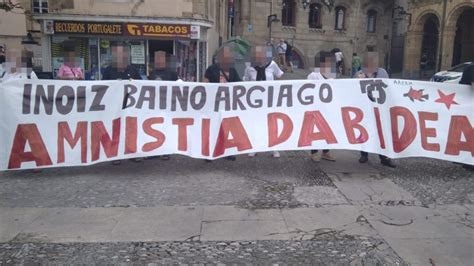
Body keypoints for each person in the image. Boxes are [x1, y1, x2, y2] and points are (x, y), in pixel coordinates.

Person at [354, 51, 396, 168]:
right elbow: (352, 91)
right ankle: (364, 154)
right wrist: (358, 80)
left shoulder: (383, 72)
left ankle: (384, 157)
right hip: (365, 108)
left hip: (380, 107)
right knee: (364, 131)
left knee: (381, 132)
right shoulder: (359, 73)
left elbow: (389, 88)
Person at [102, 44, 142, 165]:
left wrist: (133, 82)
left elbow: (142, 84)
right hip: (114, 106)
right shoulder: (109, 70)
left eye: (122, 54)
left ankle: (132, 153)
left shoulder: (132, 70)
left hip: (130, 106)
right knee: (115, 130)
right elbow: (103, 86)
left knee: (131, 130)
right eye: (117, 54)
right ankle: (115, 155)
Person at [244, 45, 284, 158]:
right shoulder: (249, 67)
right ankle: (254, 147)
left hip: (270, 100)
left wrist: (279, 90)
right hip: (254, 102)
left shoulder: (272, 65)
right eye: (256, 56)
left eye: (261, 55)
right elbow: (245, 80)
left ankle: (273, 148)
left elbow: (280, 76)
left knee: (271, 123)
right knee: (255, 124)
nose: (259, 57)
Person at [203, 46, 241, 161]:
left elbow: (239, 85)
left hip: (227, 104)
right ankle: (209, 153)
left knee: (226, 128)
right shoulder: (211, 69)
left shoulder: (232, 70)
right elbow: (205, 83)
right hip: (213, 104)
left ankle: (227, 152)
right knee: (212, 128)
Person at [148, 51, 179, 161]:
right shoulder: (152, 74)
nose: (158, 61)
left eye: (160, 58)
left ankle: (166, 151)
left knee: (166, 129)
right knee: (155, 129)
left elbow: (179, 87)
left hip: (167, 106)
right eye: (156, 58)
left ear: (165, 60)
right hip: (155, 106)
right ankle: (155, 151)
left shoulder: (172, 73)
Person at [307, 51, 337, 162]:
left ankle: (326, 151)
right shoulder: (313, 75)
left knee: (327, 129)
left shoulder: (332, 76)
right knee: (314, 129)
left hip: (328, 108)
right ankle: (314, 152)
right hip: (315, 107)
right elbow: (307, 90)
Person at [458, 62, 474, 171]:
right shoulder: (472, 68)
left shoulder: (470, 67)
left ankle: (467, 161)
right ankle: (468, 161)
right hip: (469, 106)